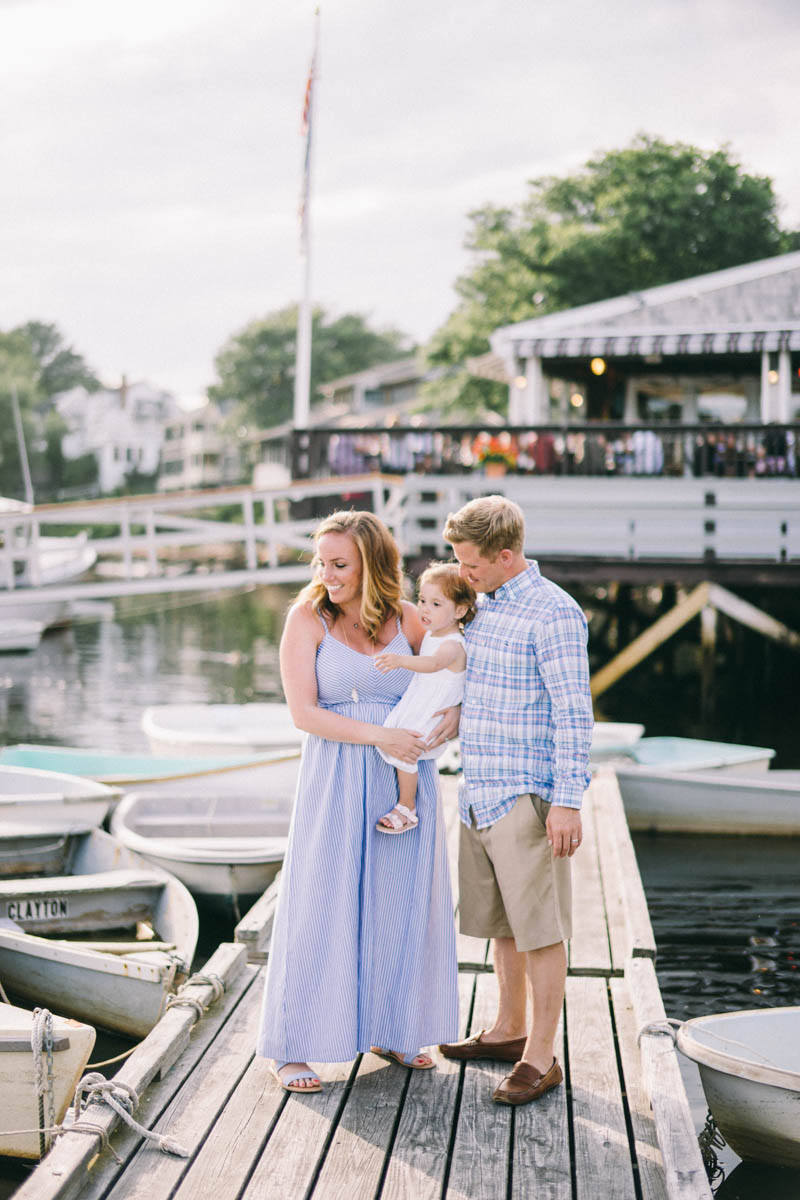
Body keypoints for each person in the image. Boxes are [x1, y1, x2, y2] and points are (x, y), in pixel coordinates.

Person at [256, 510, 459, 1093]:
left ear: (373, 563)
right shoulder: (307, 618)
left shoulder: (409, 619)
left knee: (399, 904)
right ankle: (293, 1044)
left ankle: (392, 1028)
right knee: (321, 902)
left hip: (402, 782)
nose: (327, 574)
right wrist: (380, 734)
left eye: (340, 563)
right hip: (336, 777)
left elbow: (454, 674)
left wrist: (452, 717)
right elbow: (304, 713)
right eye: (321, 562)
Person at [435, 496, 593, 1107]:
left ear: (505, 556)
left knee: (541, 931)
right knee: (502, 926)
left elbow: (574, 715)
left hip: (529, 797)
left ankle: (541, 1058)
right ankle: (507, 1031)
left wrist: (568, 802)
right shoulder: (485, 605)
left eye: (470, 566)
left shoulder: (555, 613)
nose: (461, 574)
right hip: (479, 791)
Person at [373, 563, 476, 834]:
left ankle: (407, 807)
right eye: (421, 600)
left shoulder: (453, 645)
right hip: (422, 704)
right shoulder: (433, 634)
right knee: (398, 744)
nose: (425, 609)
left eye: (436, 604)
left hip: (432, 714)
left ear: (460, 611)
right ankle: (403, 803)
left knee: (407, 751)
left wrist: (399, 660)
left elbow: (431, 664)